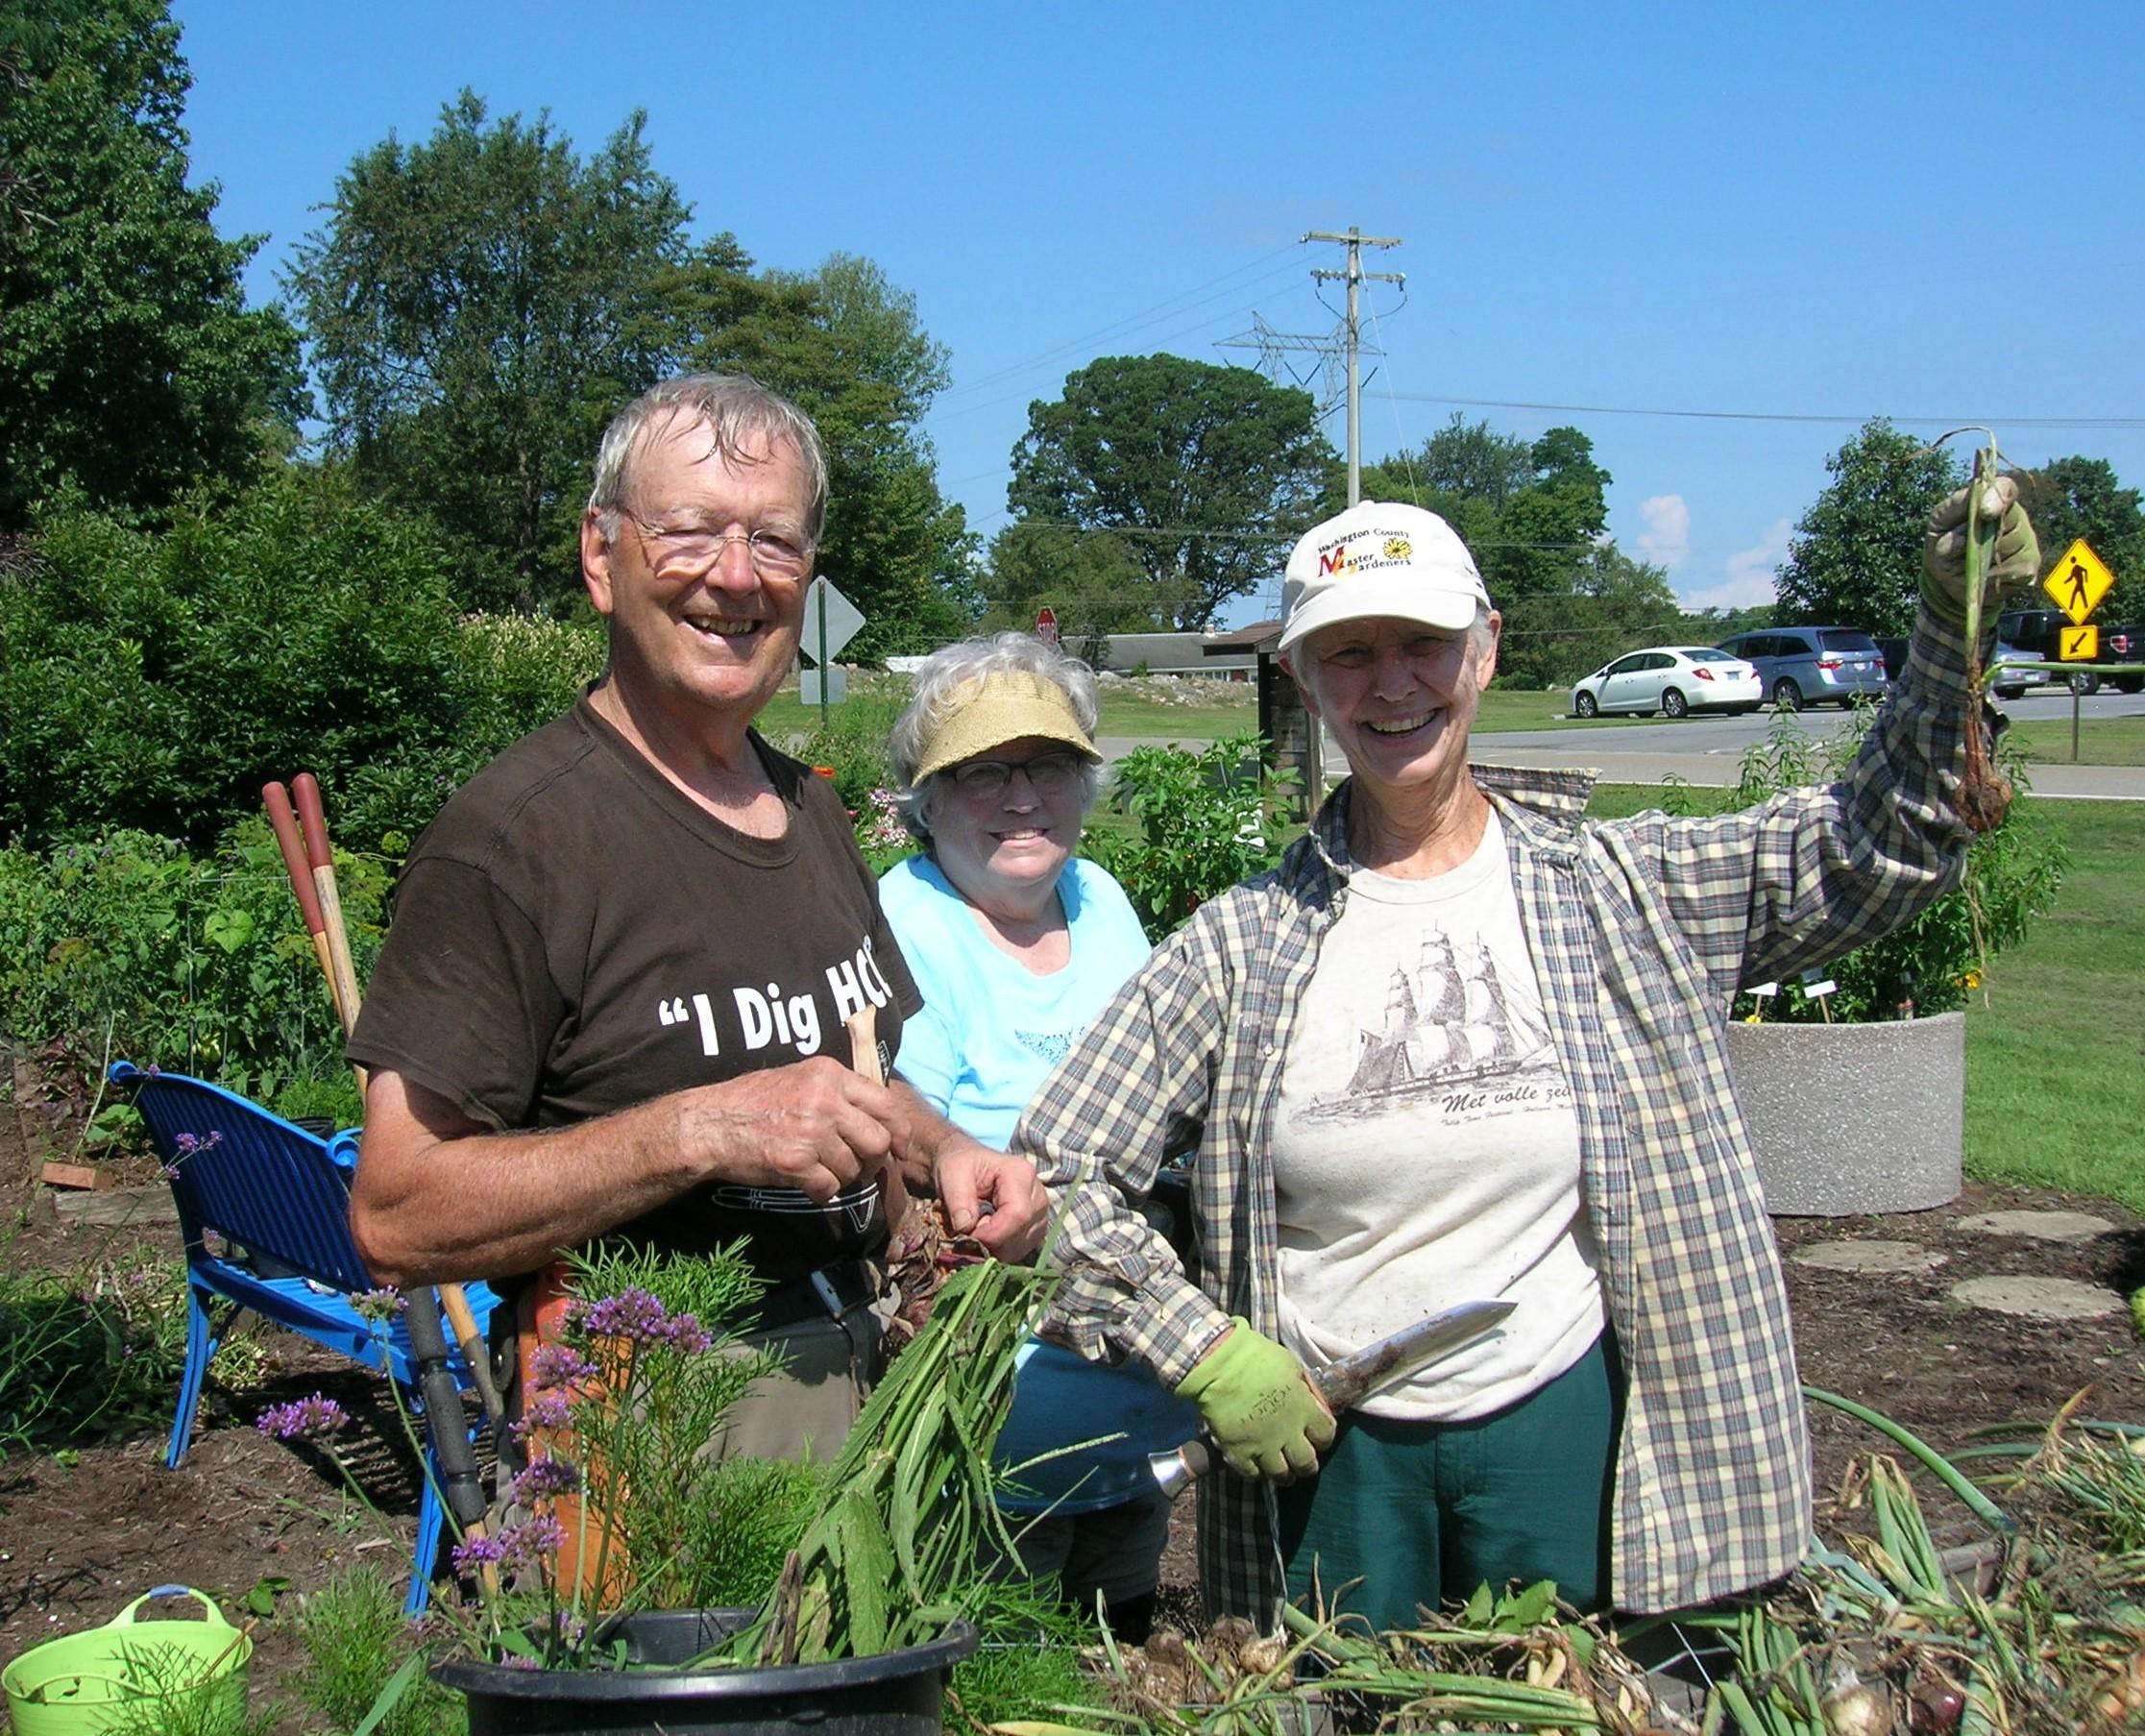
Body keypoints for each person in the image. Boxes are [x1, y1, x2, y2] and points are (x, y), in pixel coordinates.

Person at [1012, 486, 2040, 1634]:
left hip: (1562, 1425)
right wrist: (1196, 1348)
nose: (1391, 683)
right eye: (1349, 654)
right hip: (1331, 1455)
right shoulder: (1236, 948)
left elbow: (1874, 842)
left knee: (1575, 1696)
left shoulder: (1623, 892)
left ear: (1485, 649)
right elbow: (1056, 1176)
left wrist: (1953, 638)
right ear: (1304, 680)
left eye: (1424, 644)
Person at [346, 374, 1048, 1464]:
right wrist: (703, 1131)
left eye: (773, 541)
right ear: (600, 554)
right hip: (666, 1422)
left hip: (875, 1385)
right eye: (688, 532)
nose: (735, 575)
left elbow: (861, 1078)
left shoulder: (808, 804)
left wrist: (948, 1150)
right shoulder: (516, 841)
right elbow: (397, 1211)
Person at [878, 632, 1198, 1643]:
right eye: (982, 772)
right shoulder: (908, 915)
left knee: (1127, 1644)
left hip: (1134, 1397)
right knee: (1010, 1667)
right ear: (927, 799)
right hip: (995, 1432)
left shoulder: (1099, 899)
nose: (1022, 798)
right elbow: (891, 1118)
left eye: (1048, 766)